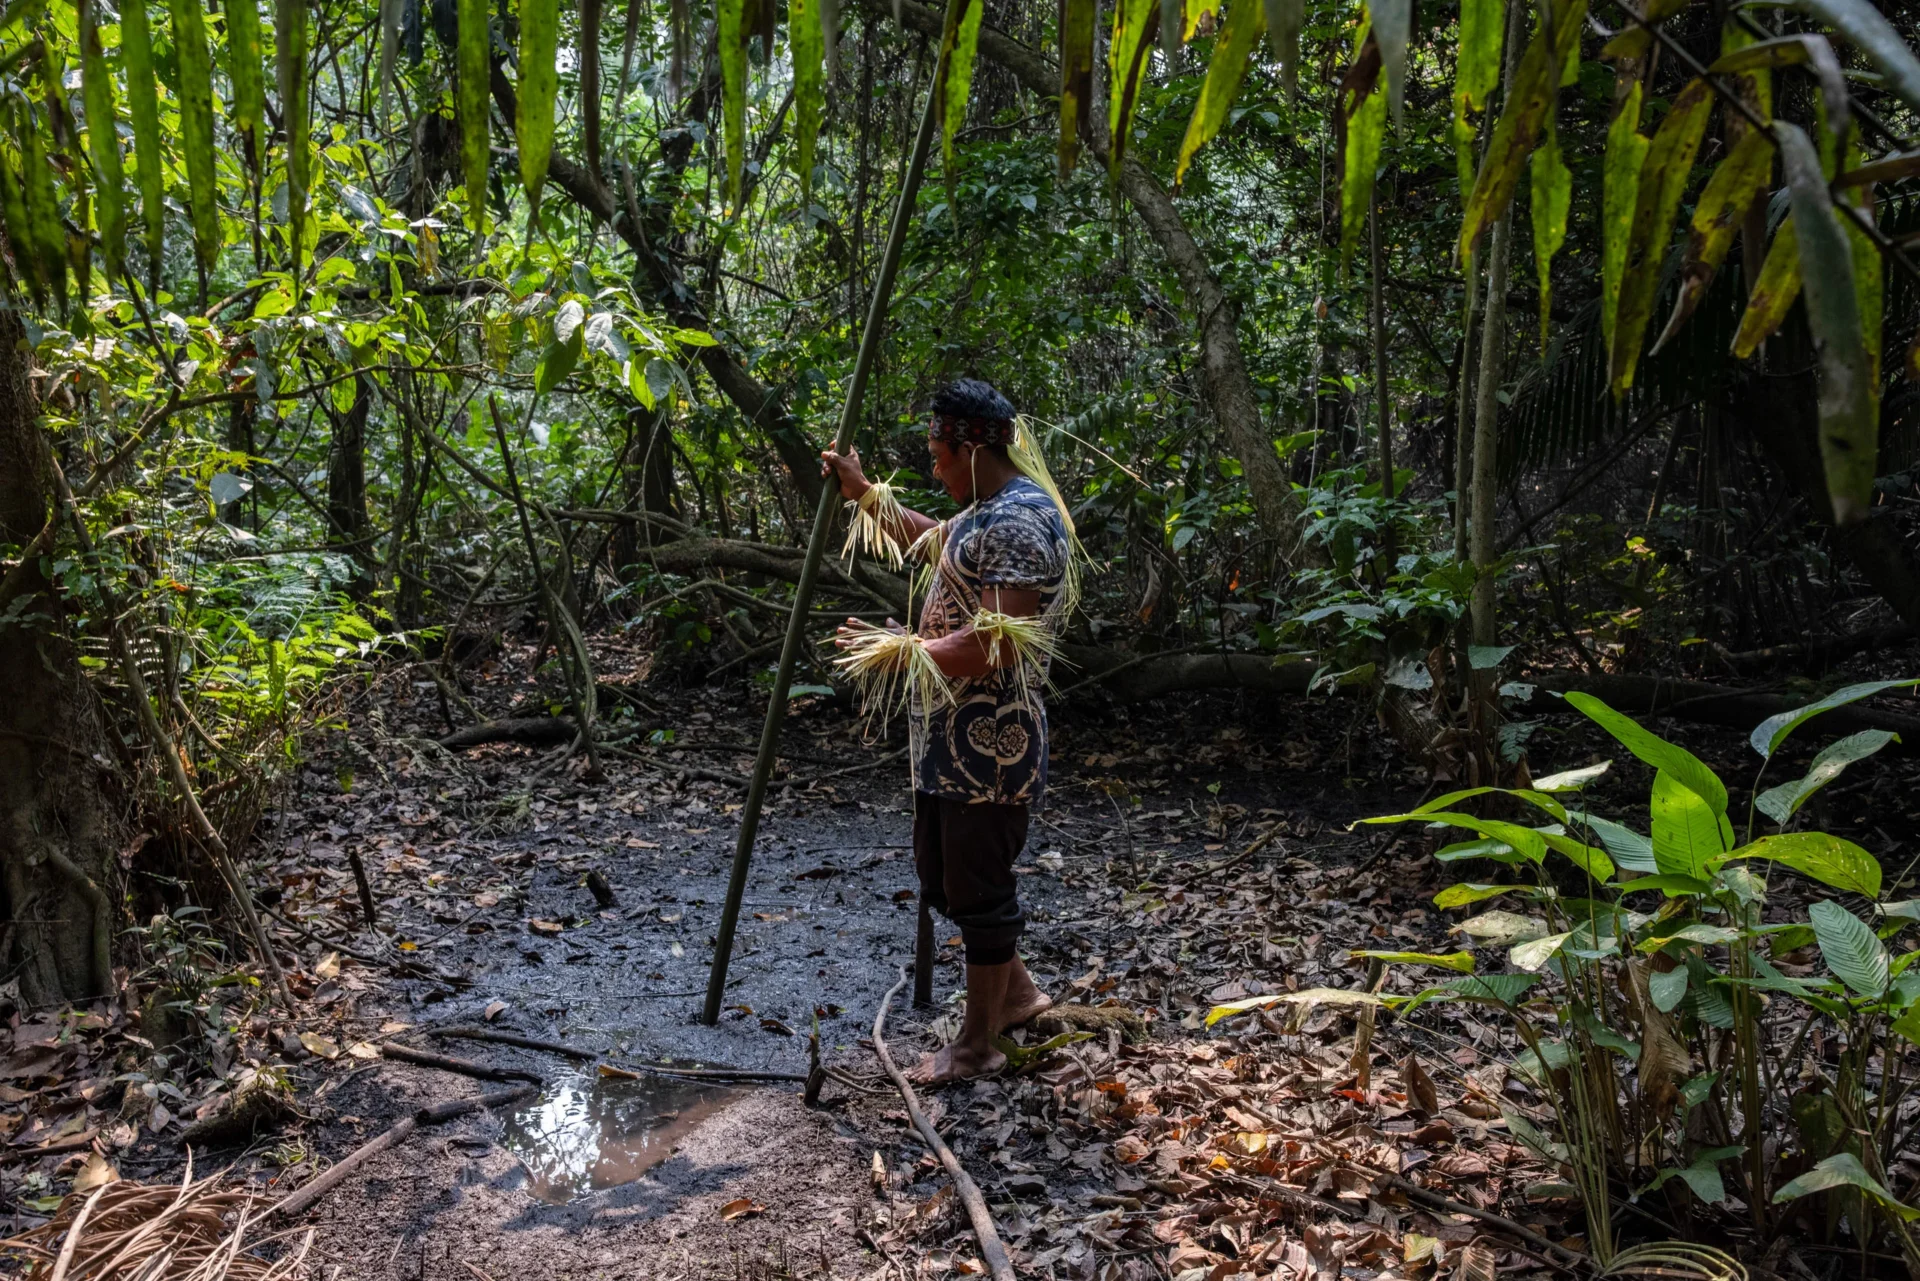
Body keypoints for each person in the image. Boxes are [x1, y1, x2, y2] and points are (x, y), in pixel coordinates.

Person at [821, 378, 1069, 1084]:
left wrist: (906, 647)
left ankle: (977, 1044)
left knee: (979, 890)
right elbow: (940, 544)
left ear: (970, 446)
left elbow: (999, 642)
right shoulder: (989, 511)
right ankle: (1016, 995)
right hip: (951, 746)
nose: (933, 468)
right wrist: (866, 494)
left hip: (993, 747)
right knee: (943, 877)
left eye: (937, 455)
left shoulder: (1020, 520)